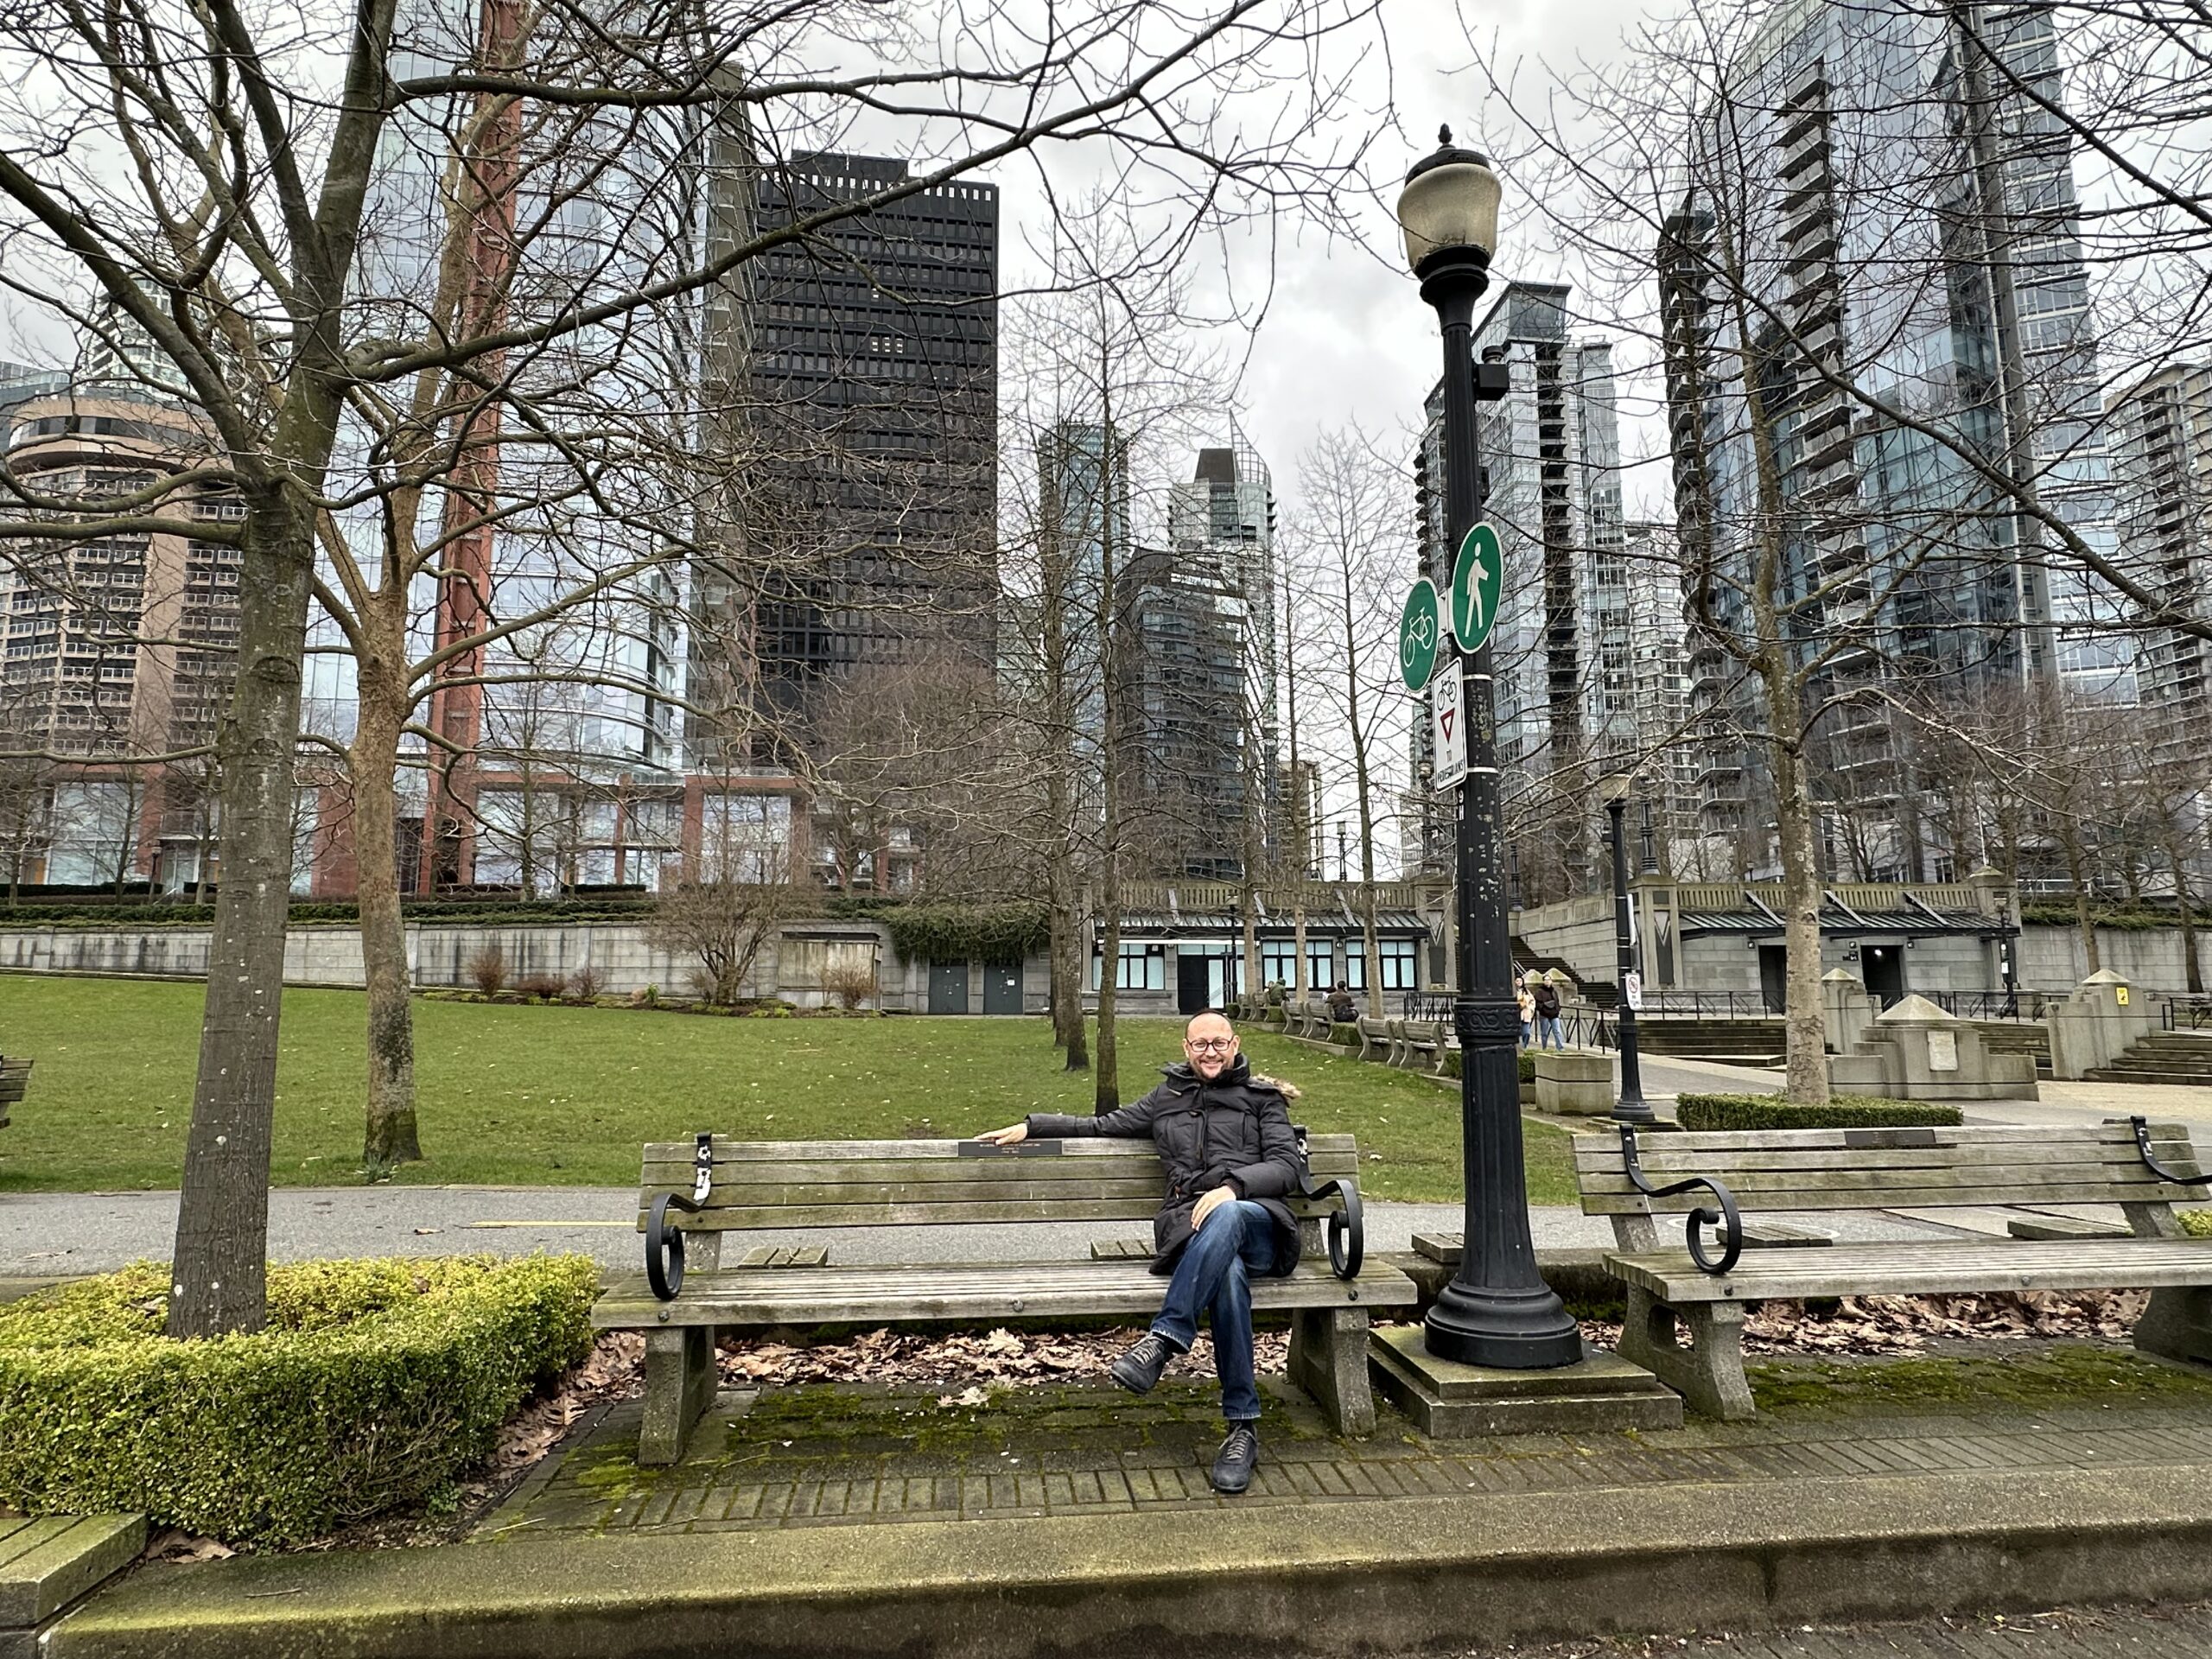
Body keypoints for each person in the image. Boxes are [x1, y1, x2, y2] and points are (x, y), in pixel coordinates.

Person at [974, 1012, 1303, 1496]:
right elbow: (1099, 1124)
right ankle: (1242, 1428)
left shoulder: (1262, 1099)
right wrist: (1032, 1126)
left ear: (1234, 1044)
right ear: (1186, 1047)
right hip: (1190, 1232)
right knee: (1226, 1275)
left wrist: (1234, 1188)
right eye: (1200, 1044)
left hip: (1255, 1222)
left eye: (1219, 1043)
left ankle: (1164, 1341)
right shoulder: (1166, 1098)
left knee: (1229, 1220)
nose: (1210, 1052)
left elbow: (1287, 1165)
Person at [1532, 976, 1565, 1050]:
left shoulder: (1554, 991)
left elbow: (1557, 1001)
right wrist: (1542, 1008)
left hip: (1554, 1014)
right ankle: (1544, 1047)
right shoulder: (1539, 991)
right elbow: (1536, 1003)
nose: (1547, 981)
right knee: (1544, 1033)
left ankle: (1560, 1047)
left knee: (1557, 1031)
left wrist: (1557, 1009)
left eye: (1549, 980)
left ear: (1551, 981)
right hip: (1544, 1014)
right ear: (1543, 981)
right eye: (1545, 980)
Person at [1516, 977, 1535, 1047]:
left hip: (1526, 1014)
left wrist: (1530, 1009)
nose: (1519, 982)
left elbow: (1532, 1001)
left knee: (1526, 1032)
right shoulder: (1513, 991)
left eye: (1520, 981)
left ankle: (1525, 1045)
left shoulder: (1526, 991)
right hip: (1516, 1014)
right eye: (1517, 981)